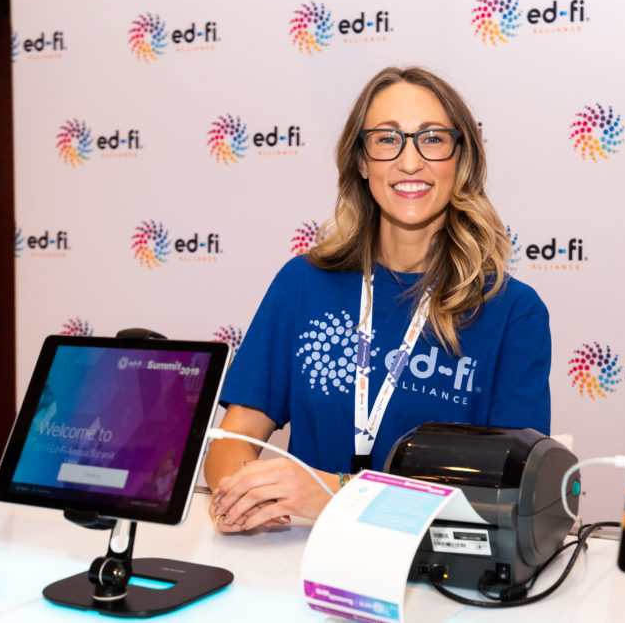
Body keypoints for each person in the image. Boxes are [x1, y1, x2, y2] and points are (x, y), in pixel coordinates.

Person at [203, 66, 551, 532]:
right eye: (387, 140)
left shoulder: (512, 312)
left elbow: (506, 494)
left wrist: (333, 494)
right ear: (362, 162)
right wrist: (239, 495)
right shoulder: (303, 284)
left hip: (430, 577)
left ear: (460, 160)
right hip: (300, 561)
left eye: (432, 139)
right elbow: (234, 435)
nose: (410, 163)